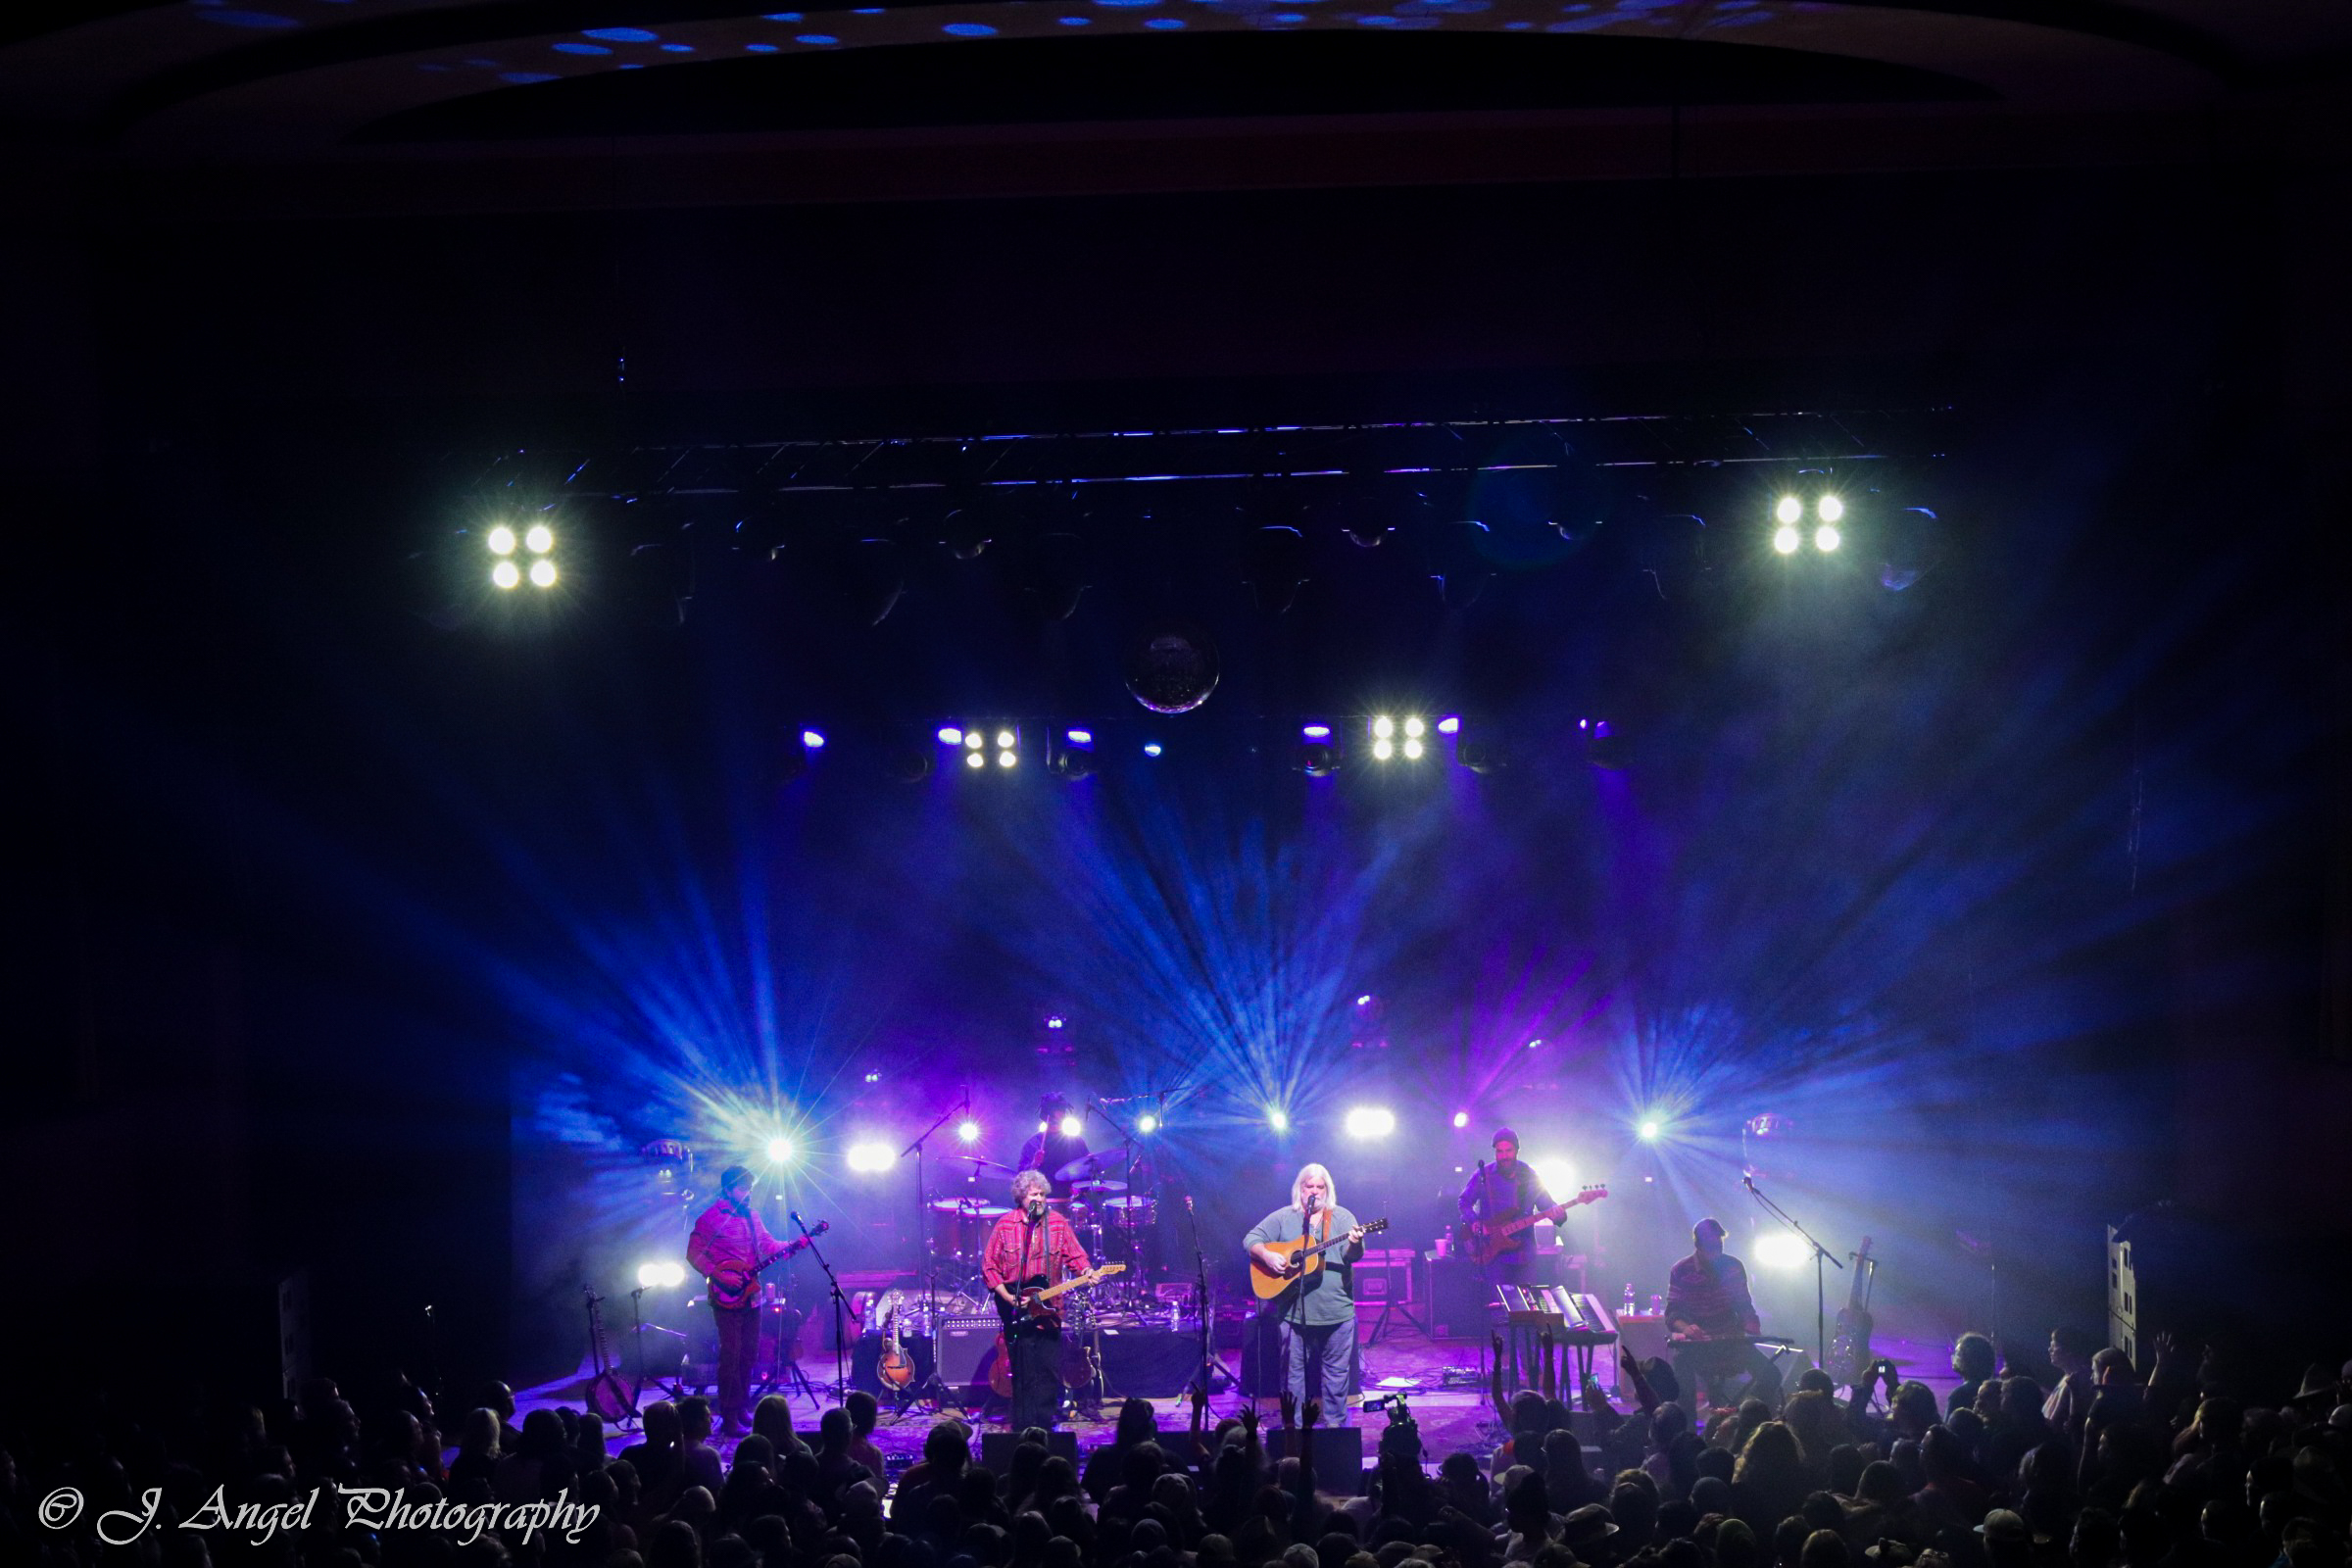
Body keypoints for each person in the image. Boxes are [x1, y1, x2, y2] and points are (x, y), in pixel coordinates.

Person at [1245, 1163, 1368, 1427]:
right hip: (1293, 1313)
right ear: (1299, 1189)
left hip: (1336, 1312)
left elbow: (1352, 1256)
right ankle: (1294, 1431)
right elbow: (1251, 1239)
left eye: (1320, 1186)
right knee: (1292, 1378)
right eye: (1309, 1186)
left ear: (1327, 1189)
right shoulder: (1284, 1217)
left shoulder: (1342, 1217)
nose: (1314, 1191)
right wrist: (1268, 1255)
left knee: (1336, 1378)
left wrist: (1355, 1243)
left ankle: (1335, 1431)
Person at [1456, 1128, 1570, 1389]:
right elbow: (1463, 1202)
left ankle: (1531, 1368)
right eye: (1499, 1151)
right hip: (1493, 1254)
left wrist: (1558, 1214)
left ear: (1517, 1150)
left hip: (1524, 1253)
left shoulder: (1529, 1175)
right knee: (1500, 1312)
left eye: (1508, 1150)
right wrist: (1475, 1223)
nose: (1504, 1156)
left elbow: (1547, 1205)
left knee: (1528, 1311)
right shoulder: (1484, 1175)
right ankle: (1505, 1369)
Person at [686, 1165, 793, 1437]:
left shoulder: (752, 1216)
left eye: (750, 1188)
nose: (748, 1193)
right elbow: (694, 1253)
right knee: (730, 1356)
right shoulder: (710, 1218)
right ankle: (729, 1415)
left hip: (752, 1295)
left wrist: (791, 1246)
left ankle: (742, 1406)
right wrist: (718, 1275)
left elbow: (767, 1245)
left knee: (749, 1355)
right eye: (743, 1188)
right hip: (726, 1298)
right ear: (728, 1189)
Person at [984, 1167, 1094, 1433]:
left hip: (1048, 1309)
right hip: (1014, 1308)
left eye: (1043, 1194)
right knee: (1021, 1370)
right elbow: (989, 1266)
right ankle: (1022, 1426)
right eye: (1034, 1194)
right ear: (1022, 1197)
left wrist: (1087, 1272)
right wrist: (1008, 1297)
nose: (1040, 1199)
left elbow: (1076, 1256)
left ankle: (1044, 1426)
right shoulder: (1006, 1224)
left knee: (1047, 1369)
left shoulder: (1057, 1223)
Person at [1665, 1216, 1783, 1407]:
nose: (1717, 1249)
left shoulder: (1733, 1267)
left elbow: (1744, 1304)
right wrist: (1686, 1328)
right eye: (1712, 1246)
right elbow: (1672, 1313)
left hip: (1730, 1341)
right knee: (1683, 1381)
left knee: (1771, 1375)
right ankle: (1688, 1425)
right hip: (1697, 1345)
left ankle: (1742, 1412)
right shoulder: (1681, 1270)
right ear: (1698, 1245)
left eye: (1719, 1243)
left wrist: (1751, 1322)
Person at [1019, 1094, 1094, 1197]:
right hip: (1042, 1201)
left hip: (1073, 1200)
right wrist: (1034, 1164)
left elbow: (1087, 1175)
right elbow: (1021, 1179)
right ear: (1045, 1118)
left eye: (1060, 1120)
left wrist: (1091, 1167)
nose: (1056, 1124)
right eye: (1053, 1121)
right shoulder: (1033, 1144)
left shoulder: (1076, 1142)